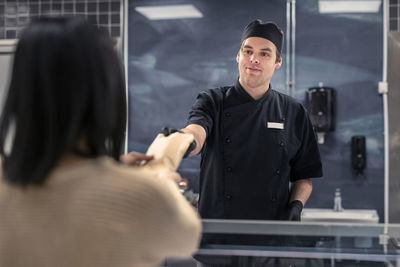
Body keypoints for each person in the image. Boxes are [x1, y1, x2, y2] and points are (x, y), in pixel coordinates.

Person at [0, 17, 201, 267]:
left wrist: (112, 169)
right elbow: (186, 237)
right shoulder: (145, 197)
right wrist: (162, 177)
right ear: (106, 95)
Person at [182, 19, 322, 243]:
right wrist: (184, 141)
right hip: (218, 242)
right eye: (248, 51)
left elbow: (303, 178)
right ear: (238, 56)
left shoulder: (294, 111)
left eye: (265, 54)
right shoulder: (212, 101)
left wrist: (296, 205)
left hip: (273, 242)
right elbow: (196, 130)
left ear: (278, 62)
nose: (254, 59)